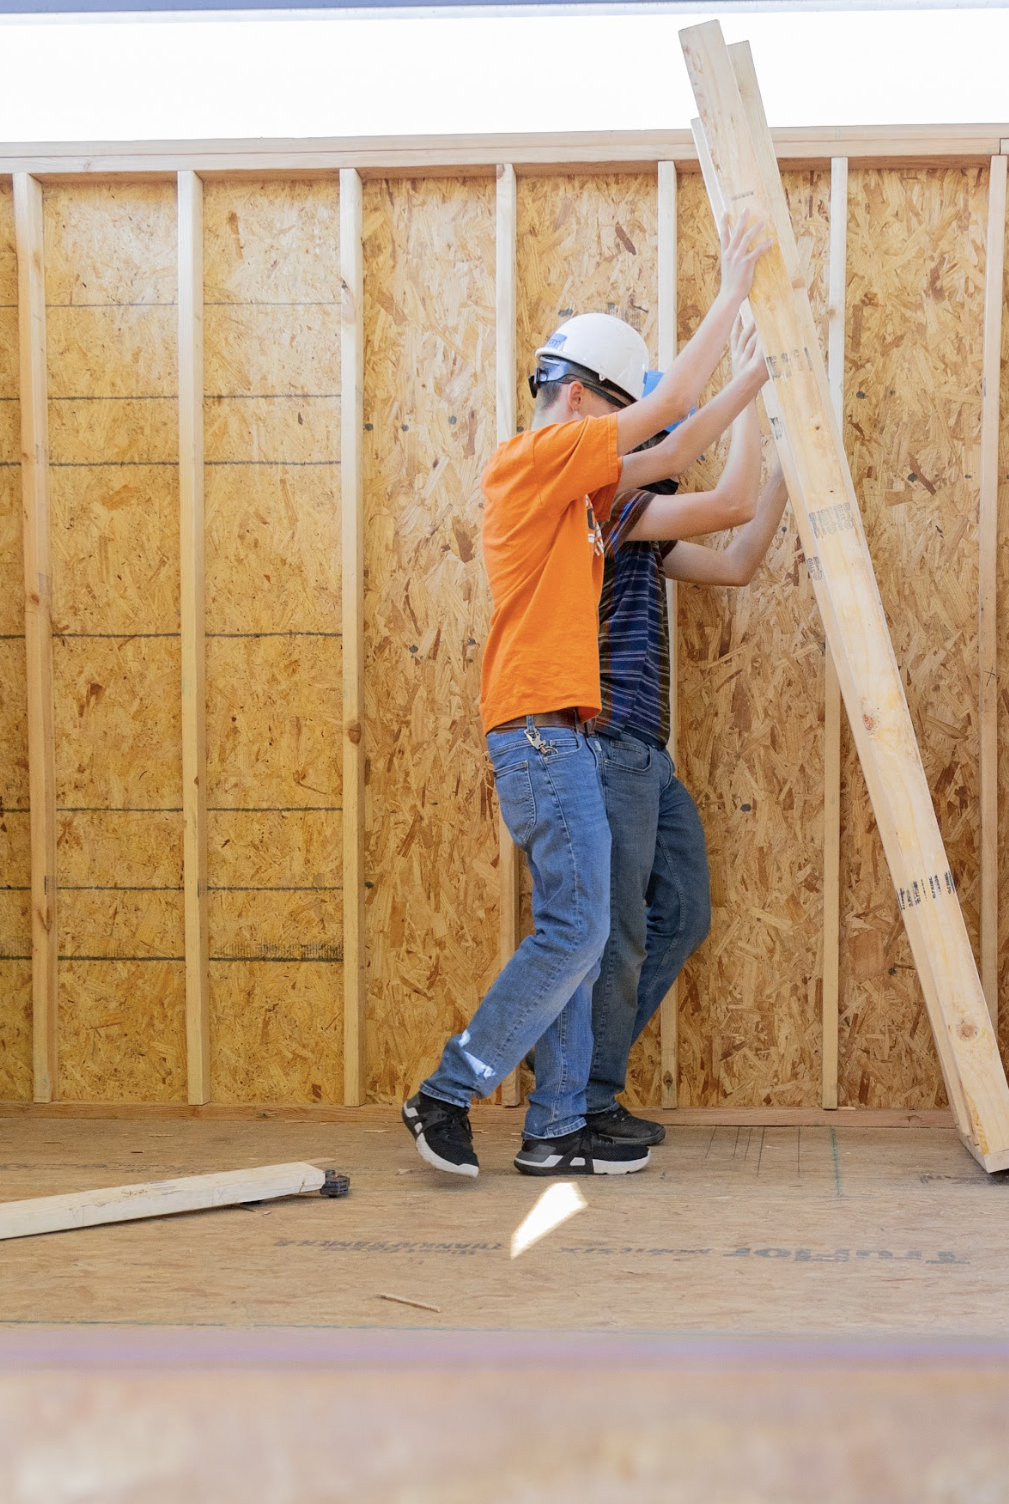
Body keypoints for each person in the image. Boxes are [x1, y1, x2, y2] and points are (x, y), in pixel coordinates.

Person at [403, 210, 772, 1179]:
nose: (613, 431)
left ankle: (556, 1128)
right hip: (540, 734)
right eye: (605, 411)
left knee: (586, 929)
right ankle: (450, 1088)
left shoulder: (576, 500)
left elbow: (664, 455)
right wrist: (734, 291)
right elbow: (665, 415)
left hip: (558, 732)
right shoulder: (533, 457)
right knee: (578, 929)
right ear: (575, 397)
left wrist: (764, 383)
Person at [580, 375, 791, 1148]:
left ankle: (576, 1066)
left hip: (644, 755)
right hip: (607, 744)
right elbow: (726, 506)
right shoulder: (604, 501)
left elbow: (737, 563)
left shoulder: (644, 526)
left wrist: (783, 474)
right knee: (619, 930)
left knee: (682, 913)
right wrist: (759, 408)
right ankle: (586, 1097)